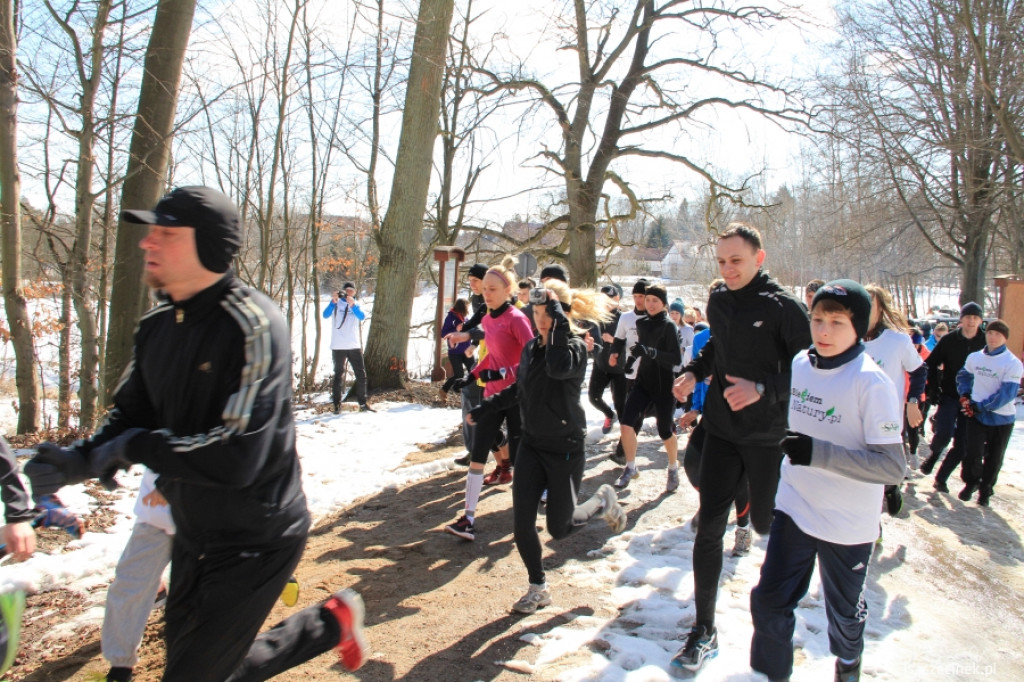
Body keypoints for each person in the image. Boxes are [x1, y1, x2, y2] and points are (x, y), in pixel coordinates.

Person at [23, 186, 366, 682]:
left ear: (205, 245)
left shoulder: (254, 325)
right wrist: (78, 460)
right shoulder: (157, 326)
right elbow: (130, 415)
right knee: (204, 672)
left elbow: (238, 453)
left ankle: (324, 625)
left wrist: (133, 448)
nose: (148, 243)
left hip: (257, 536)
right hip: (193, 531)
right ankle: (328, 623)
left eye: (165, 233)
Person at [749, 279, 907, 682]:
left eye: (837, 322)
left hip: (847, 523)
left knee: (844, 614)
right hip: (797, 506)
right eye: (818, 319)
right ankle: (773, 674)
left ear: (859, 328)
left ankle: (849, 663)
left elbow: (892, 467)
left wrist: (818, 452)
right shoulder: (802, 362)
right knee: (768, 602)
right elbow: (787, 398)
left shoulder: (871, 383)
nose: (823, 331)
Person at [671, 223, 811, 674]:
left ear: (759, 259)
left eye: (737, 261)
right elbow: (718, 347)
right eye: (722, 261)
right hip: (723, 431)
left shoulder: (784, 308)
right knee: (709, 527)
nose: (728, 269)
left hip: (768, 439)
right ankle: (704, 629)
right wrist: (694, 371)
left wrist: (763, 388)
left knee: (771, 526)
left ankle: (781, 616)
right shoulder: (719, 299)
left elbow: (811, 373)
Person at [467, 280, 626, 613]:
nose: (540, 319)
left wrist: (558, 322)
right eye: (536, 312)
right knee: (522, 522)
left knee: (559, 527)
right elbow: (520, 390)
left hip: (565, 447)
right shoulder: (530, 349)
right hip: (533, 446)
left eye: (548, 313)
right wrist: (486, 407)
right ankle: (538, 587)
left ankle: (601, 501)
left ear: (562, 315)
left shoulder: (575, 348)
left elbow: (558, 368)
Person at [443, 256, 534, 540]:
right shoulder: (486, 318)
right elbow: (492, 355)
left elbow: (532, 361)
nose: (487, 293)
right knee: (479, 453)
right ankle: (467, 519)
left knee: (522, 459)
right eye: (485, 289)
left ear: (508, 290)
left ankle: (533, 503)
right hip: (494, 397)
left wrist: (503, 373)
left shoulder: (518, 319)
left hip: (517, 397)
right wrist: (471, 375)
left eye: (493, 289)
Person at [101, 468, 175, 682]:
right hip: (156, 513)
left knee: (197, 597)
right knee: (129, 584)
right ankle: (120, 668)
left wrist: (171, 481)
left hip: (208, 517)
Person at [862, 285, 926, 514]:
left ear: (881, 308)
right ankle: (873, 525)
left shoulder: (897, 341)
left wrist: (912, 402)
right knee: (862, 478)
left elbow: (919, 371)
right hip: (856, 419)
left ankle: (891, 487)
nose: (865, 307)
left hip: (887, 421)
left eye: (871, 303)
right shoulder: (847, 338)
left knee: (882, 473)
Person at [613, 284, 682, 492]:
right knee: (626, 423)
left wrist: (651, 352)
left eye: (655, 301)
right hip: (643, 381)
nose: (650, 304)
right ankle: (631, 466)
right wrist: (632, 359)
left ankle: (673, 468)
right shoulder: (641, 323)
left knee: (664, 430)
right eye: (648, 299)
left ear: (663, 304)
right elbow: (640, 348)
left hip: (664, 386)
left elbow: (676, 359)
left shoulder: (669, 326)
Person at [920, 302, 986, 491]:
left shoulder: (985, 343)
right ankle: (933, 455)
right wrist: (933, 388)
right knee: (944, 435)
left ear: (980, 321)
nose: (971, 321)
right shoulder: (949, 340)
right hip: (949, 395)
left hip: (973, 399)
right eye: (968, 317)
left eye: (975, 318)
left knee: (962, 445)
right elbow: (930, 364)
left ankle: (941, 478)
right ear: (961, 320)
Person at [956, 319, 1022, 506]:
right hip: (976, 415)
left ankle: (986, 490)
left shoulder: (1012, 363)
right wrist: (965, 395)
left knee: (994, 457)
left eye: (998, 335)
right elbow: (964, 376)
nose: (993, 338)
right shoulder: (975, 357)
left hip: (1001, 418)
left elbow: (1006, 394)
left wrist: (981, 406)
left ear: (1005, 338)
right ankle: (971, 482)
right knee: (972, 453)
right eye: (990, 333)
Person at [607, 279, 649, 463]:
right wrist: (614, 353)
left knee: (641, 413)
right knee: (634, 412)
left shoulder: (657, 319)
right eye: (636, 296)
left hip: (653, 373)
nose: (639, 300)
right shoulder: (626, 318)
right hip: (632, 372)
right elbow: (618, 339)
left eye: (642, 296)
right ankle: (623, 452)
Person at [323, 282, 371, 413]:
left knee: (361, 375)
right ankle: (337, 404)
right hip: (338, 346)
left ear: (355, 292)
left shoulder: (356, 304)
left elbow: (361, 316)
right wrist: (333, 302)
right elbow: (325, 315)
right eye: (346, 290)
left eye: (351, 291)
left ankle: (362, 403)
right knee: (338, 375)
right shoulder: (336, 303)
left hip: (354, 345)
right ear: (342, 291)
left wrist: (353, 305)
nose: (349, 293)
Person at [589, 285, 626, 434]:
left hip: (620, 367)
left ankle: (624, 442)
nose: (606, 303)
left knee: (620, 404)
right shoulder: (595, 318)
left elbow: (633, 344)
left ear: (617, 300)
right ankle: (610, 415)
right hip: (601, 365)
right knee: (593, 398)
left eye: (610, 300)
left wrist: (613, 340)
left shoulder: (624, 318)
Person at [440, 298, 476, 396]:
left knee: (474, 371)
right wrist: (455, 329)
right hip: (455, 352)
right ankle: (443, 390)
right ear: (463, 307)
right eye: (467, 307)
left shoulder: (465, 318)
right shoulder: (450, 317)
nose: (468, 309)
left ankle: (473, 393)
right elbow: (443, 334)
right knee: (459, 375)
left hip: (466, 350)